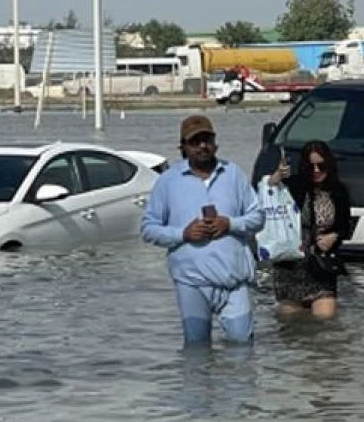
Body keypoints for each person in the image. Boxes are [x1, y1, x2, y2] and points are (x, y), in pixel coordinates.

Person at [141, 115, 265, 345]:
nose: (202, 146)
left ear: (215, 143)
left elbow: (258, 217)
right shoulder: (168, 181)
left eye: (207, 140)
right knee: (196, 351)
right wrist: (183, 234)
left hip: (234, 281)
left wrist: (230, 224)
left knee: (242, 349)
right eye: (195, 142)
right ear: (183, 147)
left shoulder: (233, 174)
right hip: (191, 282)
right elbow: (148, 229)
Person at [267, 141, 352, 319]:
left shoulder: (338, 191)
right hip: (290, 266)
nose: (316, 171)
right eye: (310, 166)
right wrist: (274, 179)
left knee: (325, 323)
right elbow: (267, 198)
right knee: (291, 326)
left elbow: (345, 227)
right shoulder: (293, 186)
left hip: (321, 265)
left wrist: (334, 236)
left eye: (321, 166)